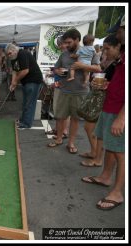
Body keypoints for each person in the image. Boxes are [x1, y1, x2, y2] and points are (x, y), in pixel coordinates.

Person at [82, 15, 125, 210]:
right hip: (110, 106)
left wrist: (122, 117)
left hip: (119, 111)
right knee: (110, 146)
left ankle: (117, 193)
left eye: (120, 30)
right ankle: (105, 177)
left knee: (120, 151)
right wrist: (107, 84)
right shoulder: (121, 58)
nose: (117, 34)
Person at [47, 29, 101, 153]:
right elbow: (55, 68)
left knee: (75, 119)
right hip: (64, 90)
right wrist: (58, 71)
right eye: (65, 43)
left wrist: (82, 66)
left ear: (77, 39)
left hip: (80, 91)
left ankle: (71, 143)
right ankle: (59, 139)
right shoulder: (64, 54)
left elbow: (98, 68)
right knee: (60, 117)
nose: (66, 45)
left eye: (69, 42)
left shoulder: (89, 50)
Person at [79, 34, 118, 167]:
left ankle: (97, 157)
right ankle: (94, 153)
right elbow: (101, 72)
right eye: (104, 48)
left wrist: (105, 84)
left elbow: (116, 83)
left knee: (93, 129)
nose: (105, 51)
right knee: (93, 129)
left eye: (107, 48)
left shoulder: (119, 63)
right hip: (102, 98)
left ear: (118, 47)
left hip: (108, 101)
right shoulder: (109, 60)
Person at [6, 43, 43, 130]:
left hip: (33, 80)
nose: (8, 55)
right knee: (25, 102)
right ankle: (23, 120)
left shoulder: (22, 53)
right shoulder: (13, 58)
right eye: (7, 54)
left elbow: (25, 71)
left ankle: (26, 123)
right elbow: (14, 71)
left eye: (9, 53)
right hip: (26, 82)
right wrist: (12, 83)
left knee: (29, 103)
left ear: (14, 50)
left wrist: (15, 81)